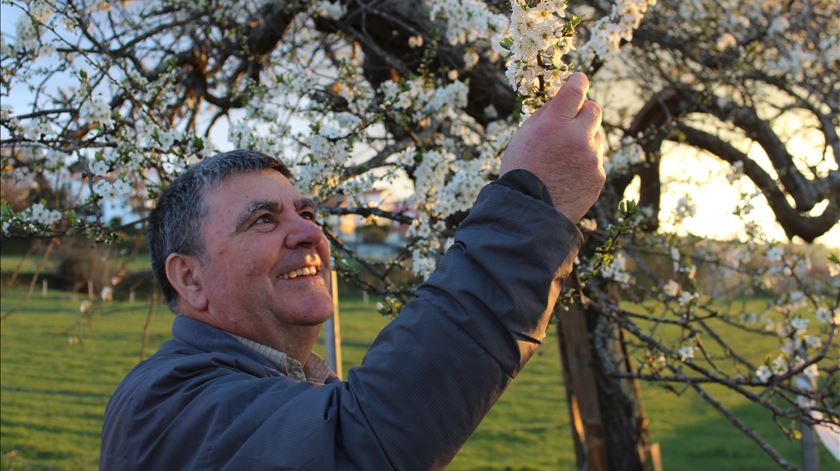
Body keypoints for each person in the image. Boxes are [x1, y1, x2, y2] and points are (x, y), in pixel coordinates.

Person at [100, 73, 605, 470]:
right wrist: (530, 205)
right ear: (190, 279)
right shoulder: (167, 407)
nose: (308, 233)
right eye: (263, 220)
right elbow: (357, 445)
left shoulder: (279, 387)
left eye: (308, 214)